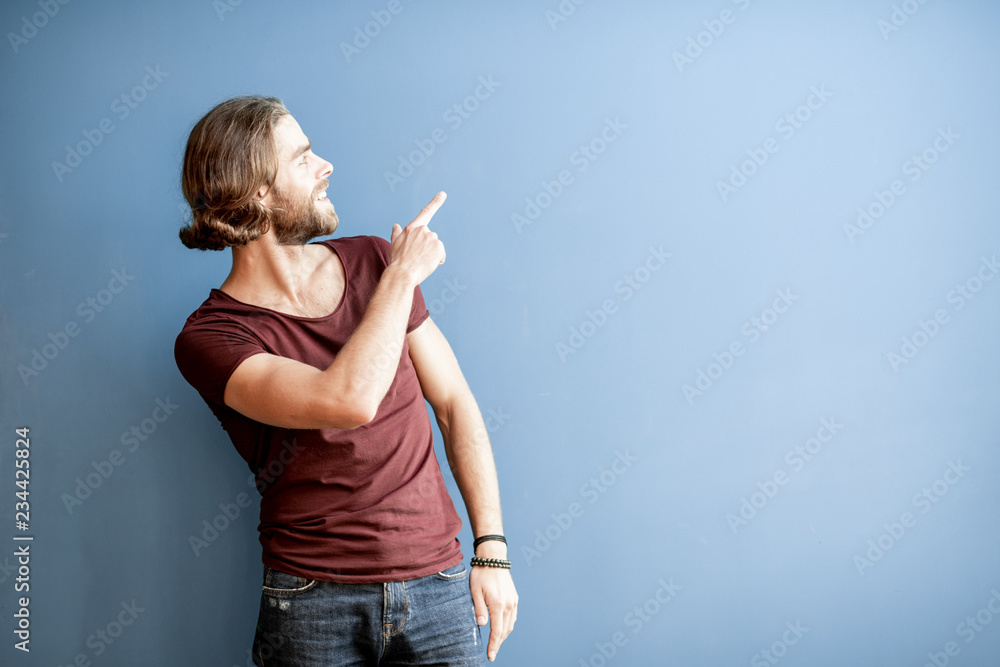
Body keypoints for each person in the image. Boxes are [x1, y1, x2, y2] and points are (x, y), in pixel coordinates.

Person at [173, 96, 517, 665]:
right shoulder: (211, 338)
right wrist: (403, 276)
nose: (326, 165)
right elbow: (346, 400)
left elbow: (454, 403)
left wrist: (492, 551)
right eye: (304, 156)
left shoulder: (374, 262)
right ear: (258, 189)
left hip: (440, 585)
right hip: (310, 604)